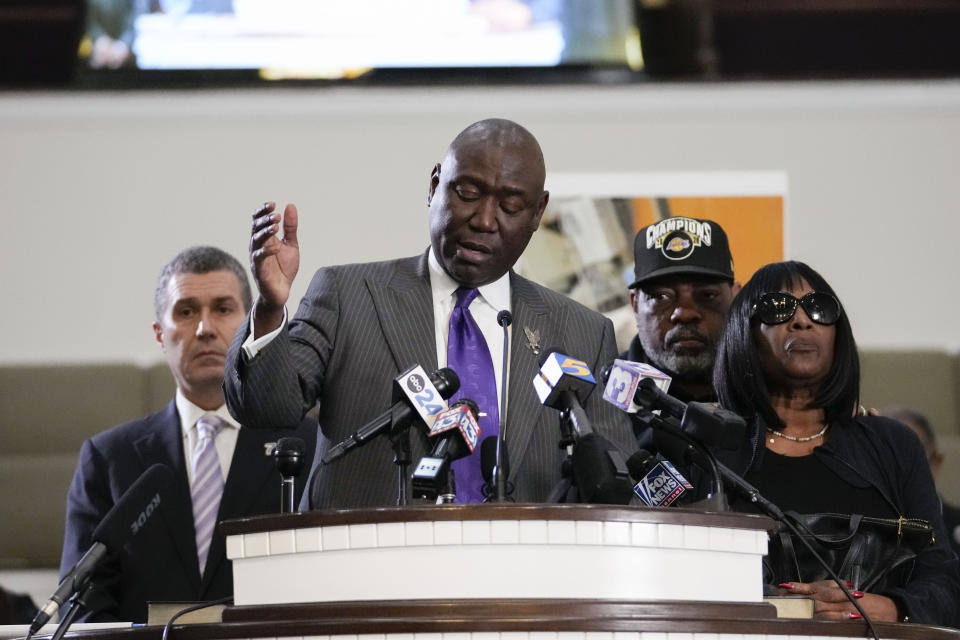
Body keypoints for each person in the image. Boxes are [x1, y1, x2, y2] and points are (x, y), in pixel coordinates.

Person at [224, 118, 635, 508]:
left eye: (510, 206)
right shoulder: (349, 296)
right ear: (435, 185)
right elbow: (268, 409)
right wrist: (269, 306)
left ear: (537, 214)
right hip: (370, 569)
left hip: (521, 573)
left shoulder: (583, 333)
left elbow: (615, 487)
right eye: (468, 194)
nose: (484, 220)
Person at [60, 246, 317, 623]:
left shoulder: (308, 445)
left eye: (223, 309)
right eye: (186, 311)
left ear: (248, 321)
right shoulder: (108, 457)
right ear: (160, 334)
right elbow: (81, 603)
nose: (205, 328)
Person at [712, 260, 960, 626]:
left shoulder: (893, 445)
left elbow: (945, 582)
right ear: (741, 332)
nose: (802, 321)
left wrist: (889, 608)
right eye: (778, 308)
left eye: (819, 308)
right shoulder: (708, 449)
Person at [623, 216, 739, 402]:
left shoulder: (774, 383)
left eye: (707, 295)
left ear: (736, 298)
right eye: (661, 297)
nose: (684, 313)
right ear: (635, 305)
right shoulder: (598, 404)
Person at [883, 406, 960, 555]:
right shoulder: (853, 532)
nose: (899, 468)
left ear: (935, 463)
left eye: (912, 456)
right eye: (887, 456)